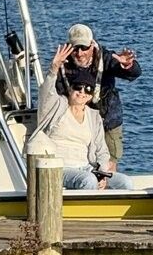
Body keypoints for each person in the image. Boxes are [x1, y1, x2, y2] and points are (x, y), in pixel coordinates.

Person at [37, 44, 133, 191]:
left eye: (87, 89)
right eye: (78, 87)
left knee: (125, 182)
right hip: (59, 168)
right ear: (70, 88)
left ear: (90, 95)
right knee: (88, 180)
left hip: (86, 167)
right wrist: (53, 69)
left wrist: (102, 173)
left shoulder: (93, 116)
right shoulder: (56, 106)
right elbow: (46, 92)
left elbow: (101, 150)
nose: (82, 92)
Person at [58, 23, 141, 170]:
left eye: (84, 48)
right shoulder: (62, 62)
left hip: (108, 120)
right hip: (79, 122)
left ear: (92, 45)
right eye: (75, 48)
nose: (79, 53)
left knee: (109, 166)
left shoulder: (106, 57)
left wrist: (127, 65)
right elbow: (53, 93)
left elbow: (134, 73)